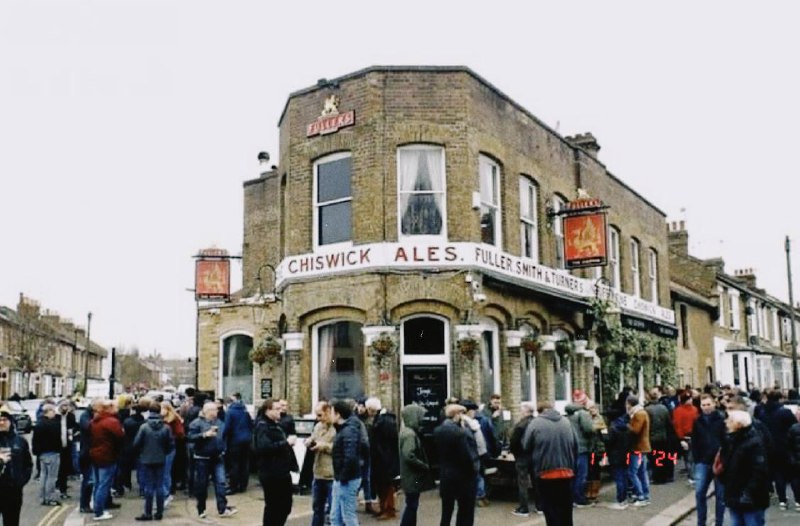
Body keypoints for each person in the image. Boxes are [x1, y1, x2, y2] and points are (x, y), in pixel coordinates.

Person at [522, 399, 577, 526]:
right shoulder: (566, 422)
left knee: (551, 510)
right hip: (566, 472)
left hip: (545, 472)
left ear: (539, 411)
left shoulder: (535, 423)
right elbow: (575, 446)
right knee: (566, 510)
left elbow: (526, 445)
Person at [187, 400, 237, 519]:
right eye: (214, 410)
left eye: (217, 409)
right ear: (207, 411)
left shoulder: (219, 422)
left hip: (218, 457)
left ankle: (222, 508)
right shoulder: (196, 423)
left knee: (220, 482)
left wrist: (224, 448)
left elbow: (224, 436)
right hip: (202, 458)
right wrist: (204, 435)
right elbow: (189, 437)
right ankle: (201, 509)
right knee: (202, 484)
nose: (216, 411)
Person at [719, 409, 771, 525]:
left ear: (738, 425)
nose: (726, 422)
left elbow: (759, 471)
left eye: (729, 420)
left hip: (750, 497)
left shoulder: (754, 443)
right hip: (735, 493)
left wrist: (748, 491)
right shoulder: (732, 440)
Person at [253, 398, 298, 526]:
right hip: (272, 472)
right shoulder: (262, 425)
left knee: (284, 505)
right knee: (275, 506)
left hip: (281, 471)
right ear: (268, 410)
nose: (281, 411)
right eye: (277, 409)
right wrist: (286, 443)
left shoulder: (274, 424)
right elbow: (263, 447)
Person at [434, 404, 478, 526]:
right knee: (465, 511)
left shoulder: (437, 431)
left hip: (446, 476)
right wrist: (473, 471)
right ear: (457, 415)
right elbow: (466, 457)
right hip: (462, 478)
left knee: (446, 511)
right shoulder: (460, 433)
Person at [133, 401, 175, 521]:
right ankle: (159, 512)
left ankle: (148, 512)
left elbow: (136, 443)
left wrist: (142, 452)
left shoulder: (144, 427)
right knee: (160, 486)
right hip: (161, 458)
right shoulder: (166, 427)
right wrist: (164, 452)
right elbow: (171, 444)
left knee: (149, 487)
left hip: (146, 459)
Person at [331, 398, 369, 526]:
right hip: (341, 478)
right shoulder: (344, 428)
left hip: (347, 479)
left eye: (331, 412)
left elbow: (350, 456)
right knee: (335, 516)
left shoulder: (349, 430)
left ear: (338, 414)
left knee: (348, 515)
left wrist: (343, 476)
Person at [755, 389, 796, 511]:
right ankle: (797, 499)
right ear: (780, 399)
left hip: (769, 447)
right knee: (792, 473)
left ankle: (782, 499)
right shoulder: (785, 412)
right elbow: (793, 427)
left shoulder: (762, 413)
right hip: (785, 446)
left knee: (778, 474)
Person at [690, 393, 726, 526]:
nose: (706, 407)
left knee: (720, 496)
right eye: (703, 405)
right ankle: (701, 522)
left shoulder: (722, 419)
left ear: (714, 404)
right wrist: (697, 458)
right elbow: (694, 441)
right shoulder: (697, 421)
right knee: (699, 492)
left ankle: (719, 522)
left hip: (719, 461)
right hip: (703, 461)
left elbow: (726, 440)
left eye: (708, 404)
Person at [89, 398, 125, 521]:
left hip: (95, 455)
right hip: (107, 456)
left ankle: (97, 508)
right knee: (104, 485)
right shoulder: (111, 422)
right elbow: (120, 436)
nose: (117, 409)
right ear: (108, 408)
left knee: (98, 484)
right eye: (115, 407)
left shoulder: (95, 421)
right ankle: (99, 512)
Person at [0, 405, 34, 526]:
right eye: (0, 420)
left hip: (13, 490)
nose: (2, 422)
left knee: (12, 521)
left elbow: (28, 464)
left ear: (11, 422)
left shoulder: (20, 441)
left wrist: (21, 480)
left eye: (5, 420)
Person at [368, 398, 399, 520]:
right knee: (381, 485)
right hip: (380, 459)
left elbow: (389, 443)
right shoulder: (381, 420)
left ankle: (389, 510)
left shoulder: (386, 421)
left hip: (385, 459)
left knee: (387, 485)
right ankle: (383, 508)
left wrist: (385, 457)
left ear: (372, 409)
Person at [398, 404, 429, 526]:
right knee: (412, 505)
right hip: (412, 477)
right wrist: (423, 465)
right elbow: (409, 455)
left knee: (412, 504)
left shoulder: (406, 432)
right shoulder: (410, 435)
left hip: (409, 476)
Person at [308, 401, 336, 526]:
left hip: (332, 474)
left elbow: (340, 448)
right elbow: (313, 438)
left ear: (328, 412)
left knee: (333, 510)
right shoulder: (318, 426)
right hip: (318, 472)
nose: (317, 418)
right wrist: (309, 441)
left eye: (320, 415)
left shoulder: (337, 428)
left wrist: (324, 446)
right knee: (317, 508)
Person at [565, 389, 594, 507]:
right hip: (582, 448)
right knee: (582, 474)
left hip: (570, 448)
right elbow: (588, 429)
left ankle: (571, 498)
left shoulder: (568, 414)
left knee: (572, 474)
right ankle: (579, 498)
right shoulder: (583, 413)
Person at [509, 401, 536, 517]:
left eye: (521, 410)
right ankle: (540, 506)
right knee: (536, 481)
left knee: (523, 482)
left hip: (522, 456)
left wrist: (515, 453)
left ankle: (523, 508)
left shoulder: (520, 425)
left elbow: (514, 442)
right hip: (535, 455)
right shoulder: (537, 423)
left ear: (525, 412)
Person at [32, 403, 62, 506]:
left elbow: (35, 440)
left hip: (42, 454)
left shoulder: (38, 424)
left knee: (43, 475)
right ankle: (50, 497)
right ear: (48, 412)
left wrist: (36, 452)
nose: (55, 413)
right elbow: (58, 439)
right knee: (52, 477)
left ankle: (42, 497)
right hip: (52, 452)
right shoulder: (53, 424)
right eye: (53, 411)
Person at [223, 392, 253, 495]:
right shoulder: (245, 411)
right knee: (245, 463)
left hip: (235, 441)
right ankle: (243, 485)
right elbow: (250, 424)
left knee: (234, 464)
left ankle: (233, 486)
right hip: (247, 440)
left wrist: (222, 438)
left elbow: (226, 427)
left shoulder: (230, 412)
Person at [626, 395, 652, 506]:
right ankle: (644, 495)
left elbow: (636, 430)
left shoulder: (638, 414)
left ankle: (641, 496)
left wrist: (626, 425)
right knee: (642, 472)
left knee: (633, 472)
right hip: (642, 447)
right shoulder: (641, 412)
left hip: (638, 448)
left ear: (629, 404)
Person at [645, 388, 674, 484]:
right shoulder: (664, 408)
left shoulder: (647, 410)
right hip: (663, 437)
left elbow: (647, 425)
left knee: (654, 458)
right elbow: (669, 423)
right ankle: (664, 476)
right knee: (663, 457)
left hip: (652, 438)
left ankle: (657, 477)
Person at [604, 409, 632, 510]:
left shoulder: (612, 428)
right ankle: (625, 498)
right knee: (624, 476)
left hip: (615, 456)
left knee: (618, 478)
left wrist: (603, 434)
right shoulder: (627, 427)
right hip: (626, 454)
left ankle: (621, 499)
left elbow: (608, 441)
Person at [160, 400, 184, 506]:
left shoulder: (173, 419)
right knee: (165, 470)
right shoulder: (167, 419)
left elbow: (180, 433)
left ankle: (168, 492)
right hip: (165, 447)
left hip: (169, 447)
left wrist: (170, 437)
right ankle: (167, 491)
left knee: (166, 470)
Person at [672, 391, 699, 483]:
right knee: (689, 458)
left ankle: (693, 475)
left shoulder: (693, 409)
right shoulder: (680, 411)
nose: (690, 400)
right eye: (688, 399)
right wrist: (681, 438)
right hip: (686, 436)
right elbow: (678, 426)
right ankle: (692, 475)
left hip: (692, 435)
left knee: (691, 457)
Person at [55, 400, 78, 499]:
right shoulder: (56, 417)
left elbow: (75, 427)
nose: (65, 407)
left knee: (64, 469)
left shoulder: (71, 416)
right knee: (57, 469)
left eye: (66, 406)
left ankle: (63, 489)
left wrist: (75, 432)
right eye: (63, 406)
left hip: (67, 446)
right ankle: (56, 487)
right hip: (56, 447)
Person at [585, 400, 607, 502]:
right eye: (590, 408)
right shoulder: (586, 419)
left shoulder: (600, 419)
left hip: (597, 449)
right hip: (589, 448)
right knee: (590, 470)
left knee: (595, 470)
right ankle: (589, 489)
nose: (592, 410)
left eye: (593, 408)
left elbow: (604, 431)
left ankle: (595, 490)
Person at [787, 408, 800, 511]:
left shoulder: (793, 428)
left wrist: (791, 458)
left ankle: (798, 500)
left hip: (796, 460)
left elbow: (789, 445)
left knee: (796, 480)